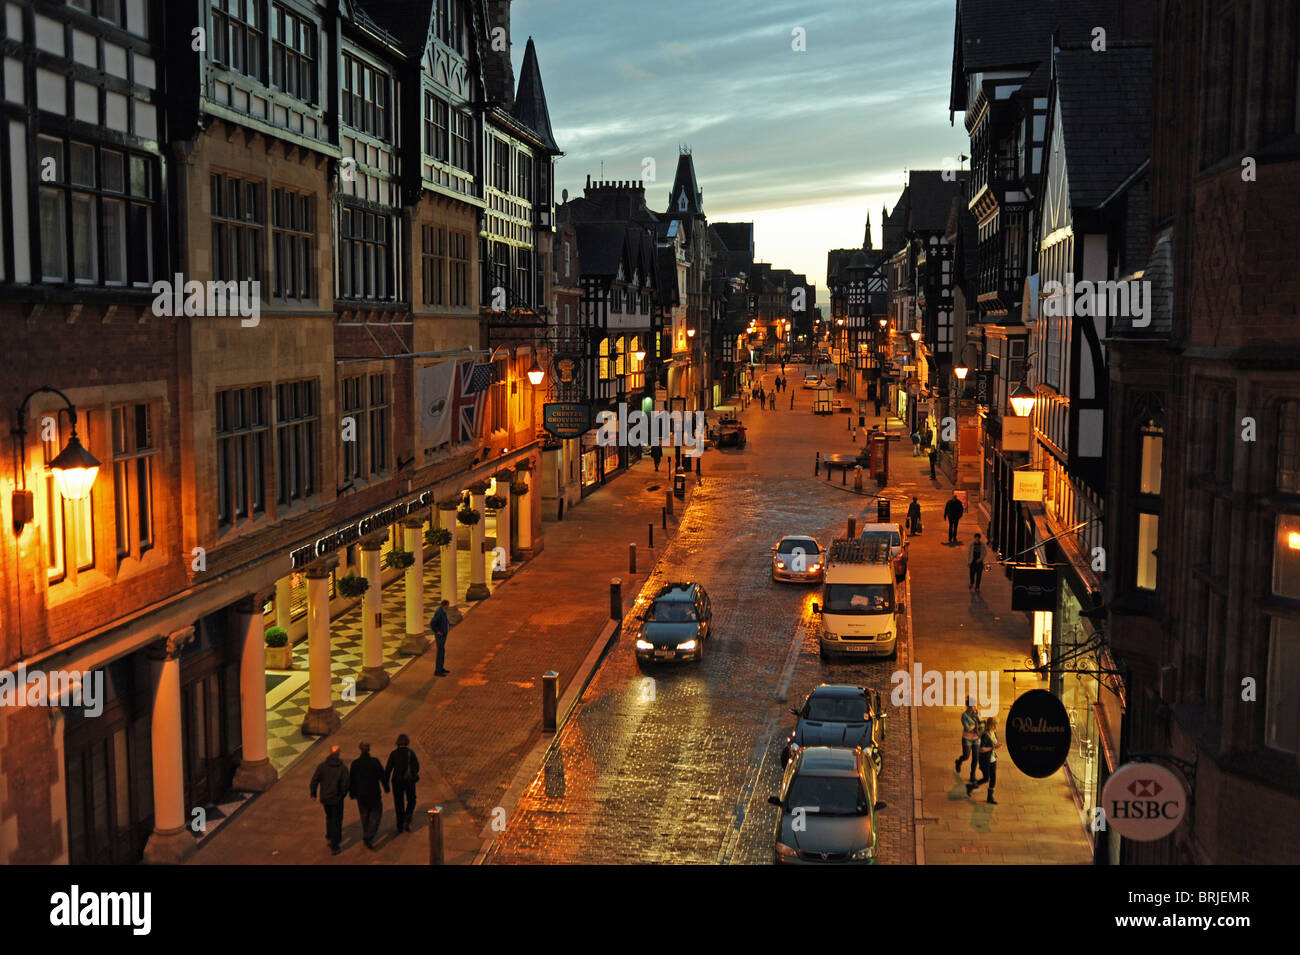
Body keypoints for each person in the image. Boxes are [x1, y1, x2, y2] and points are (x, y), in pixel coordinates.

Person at [309, 744, 350, 854]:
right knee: (337, 820)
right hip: (337, 798)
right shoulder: (342, 768)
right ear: (339, 754)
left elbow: (314, 781)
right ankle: (335, 844)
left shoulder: (322, 766)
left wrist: (313, 794)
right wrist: (342, 794)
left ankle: (329, 835)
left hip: (325, 798)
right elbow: (346, 784)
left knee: (329, 816)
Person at [349, 741, 386, 849]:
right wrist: (386, 787)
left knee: (364, 815)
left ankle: (367, 834)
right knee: (376, 815)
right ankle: (368, 836)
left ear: (359, 750)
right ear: (369, 750)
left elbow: (352, 780)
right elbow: (382, 775)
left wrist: (352, 793)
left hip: (361, 795)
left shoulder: (355, 763)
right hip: (374, 793)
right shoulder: (374, 762)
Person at [384, 734, 420, 834]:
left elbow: (388, 770)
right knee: (412, 800)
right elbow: (417, 767)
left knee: (399, 803)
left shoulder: (394, 754)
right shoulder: (410, 753)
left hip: (396, 781)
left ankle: (400, 825)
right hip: (408, 781)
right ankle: (407, 819)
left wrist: (386, 785)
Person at [967, 716, 1000, 803]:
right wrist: (993, 747)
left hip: (992, 759)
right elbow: (981, 749)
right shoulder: (985, 735)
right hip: (985, 760)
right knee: (986, 778)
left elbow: (993, 746)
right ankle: (971, 787)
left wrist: (995, 747)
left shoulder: (994, 733)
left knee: (993, 778)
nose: (998, 726)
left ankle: (990, 797)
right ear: (992, 725)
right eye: (997, 724)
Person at [954, 698, 981, 786]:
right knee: (966, 756)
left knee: (975, 758)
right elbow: (967, 728)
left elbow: (981, 723)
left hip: (976, 738)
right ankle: (959, 761)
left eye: (975, 705)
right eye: (973, 706)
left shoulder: (977, 713)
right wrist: (975, 725)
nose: (975, 707)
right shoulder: (964, 716)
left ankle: (972, 776)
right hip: (967, 738)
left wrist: (978, 717)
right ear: (968, 706)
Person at [430, 598, 450, 675]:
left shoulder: (443, 611)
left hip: (443, 635)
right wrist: (438, 631)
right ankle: (438, 670)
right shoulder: (439, 612)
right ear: (445, 605)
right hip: (440, 636)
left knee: (442, 652)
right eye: (448, 605)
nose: (448, 607)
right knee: (440, 652)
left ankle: (441, 668)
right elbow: (432, 623)